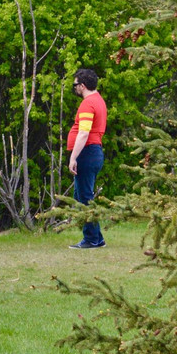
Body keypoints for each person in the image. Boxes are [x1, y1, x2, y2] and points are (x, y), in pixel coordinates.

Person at [67, 68, 107, 249]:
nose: (74, 88)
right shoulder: (99, 101)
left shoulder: (88, 104)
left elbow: (83, 132)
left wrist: (73, 157)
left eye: (75, 85)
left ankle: (91, 239)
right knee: (83, 195)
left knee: (84, 197)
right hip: (94, 151)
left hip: (87, 152)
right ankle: (97, 237)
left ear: (82, 86)